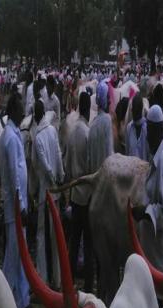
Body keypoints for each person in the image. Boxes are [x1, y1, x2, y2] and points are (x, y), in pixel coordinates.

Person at [132, 104, 163, 274]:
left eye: (149, 131)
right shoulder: (156, 157)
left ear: (159, 131)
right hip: (153, 251)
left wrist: (144, 211)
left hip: (161, 254)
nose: (147, 137)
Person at [0, 94, 30, 308]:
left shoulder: (13, 133)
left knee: (20, 253)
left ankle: (21, 300)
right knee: (13, 255)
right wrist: (20, 205)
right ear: (13, 111)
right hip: (15, 207)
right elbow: (13, 175)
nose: (23, 114)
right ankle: (3, 298)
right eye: (20, 110)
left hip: (19, 204)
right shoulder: (9, 138)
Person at [33, 99, 64, 289]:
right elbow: (58, 154)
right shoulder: (52, 130)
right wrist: (61, 177)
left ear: (36, 116)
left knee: (41, 235)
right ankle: (58, 280)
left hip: (46, 192)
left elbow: (44, 164)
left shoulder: (38, 138)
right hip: (56, 192)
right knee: (55, 235)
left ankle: (43, 278)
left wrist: (52, 180)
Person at [65, 92, 93, 293]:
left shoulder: (73, 131)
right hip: (87, 195)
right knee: (89, 242)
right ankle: (89, 287)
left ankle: (71, 281)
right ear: (87, 109)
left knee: (74, 242)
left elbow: (67, 165)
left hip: (74, 194)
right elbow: (91, 166)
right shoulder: (87, 133)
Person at [88, 81, 114, 173]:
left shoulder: (92, 125)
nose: (110, 101)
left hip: (94, 178)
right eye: (107, 98)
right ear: (104, 100)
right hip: (105, 177)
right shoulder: (107, 120)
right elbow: (110, 152)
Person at [125, 93, 150, 161]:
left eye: (137, 109)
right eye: (134, 109)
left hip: (144, 169)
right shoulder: (129, 128)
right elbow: (127, 152)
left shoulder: (147, 128)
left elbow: (149, 154)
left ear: (141, 110)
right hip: (131, 168)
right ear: (132, 110)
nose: (135, 112)